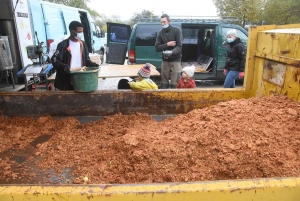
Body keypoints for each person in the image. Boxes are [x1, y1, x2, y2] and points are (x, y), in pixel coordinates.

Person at [51, 21, 99, 90]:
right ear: (73, 32)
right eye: (79, 32)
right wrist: (64, 67)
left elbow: (86, 60)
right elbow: (55, 60)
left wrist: (93, 65)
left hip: (80, 79)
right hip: (66, 80)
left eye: (82, 31)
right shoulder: (63, 45)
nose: (81, 34)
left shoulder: (83, 44)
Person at [155, 14, 183, 89]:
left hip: (176, 59)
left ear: (169, 21)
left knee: (175, 83)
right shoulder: (160, 32)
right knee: (164, 82)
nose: (162, 24)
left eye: (164, 22)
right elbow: (157, 48)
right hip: (165, 59)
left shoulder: (176, 30)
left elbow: (179, 46)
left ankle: (175, 99)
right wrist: (168, 44)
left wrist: (172, 52)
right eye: (161, 22)